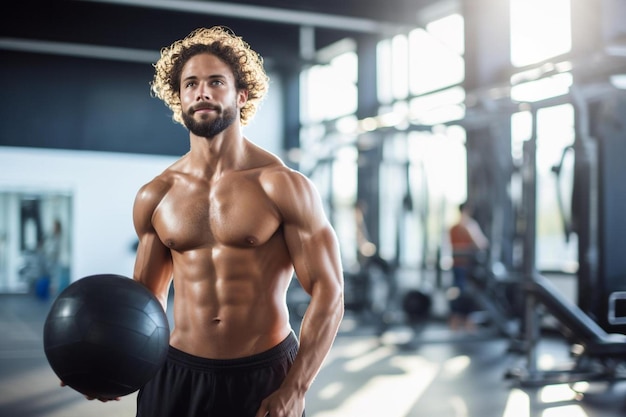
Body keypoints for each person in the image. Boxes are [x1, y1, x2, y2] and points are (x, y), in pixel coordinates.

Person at [74, 26, 345, 416]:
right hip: (174, 372)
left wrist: (296, 387)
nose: (202, 92)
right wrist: (107, 367)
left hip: (263, 373)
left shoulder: (283, 186)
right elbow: (144, 301)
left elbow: (329, 291)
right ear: (179, 98)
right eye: (191, 84)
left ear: (241, 95)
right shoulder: (157, 194)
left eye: (216, 82)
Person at [448, 201, 488, 331]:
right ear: (467, 210)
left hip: (457, 264)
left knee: (458, 292)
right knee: (467, 294)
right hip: (466, 266)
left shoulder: (453, 227)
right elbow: (481, 244)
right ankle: (468, 323)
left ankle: (456, 322)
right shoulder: (469, 226)